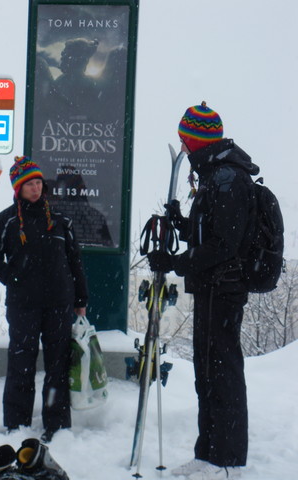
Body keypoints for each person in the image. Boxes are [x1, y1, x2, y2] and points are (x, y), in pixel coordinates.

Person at [147, 102, 256, 480]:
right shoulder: (215, 175)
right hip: (213, 289)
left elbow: (223, 245)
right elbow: (209, 233)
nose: (182, 148)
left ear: (195, 141)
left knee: (221, 372)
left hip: (222, 289)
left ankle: (225, 460)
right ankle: (209, 453)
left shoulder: (226, 178)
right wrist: (180, 219)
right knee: (209, 372)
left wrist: (175, 264)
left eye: (184, 141)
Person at [0, 156, 89, 443]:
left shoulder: (61, 221)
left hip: (59, 303)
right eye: (29, 184)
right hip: (23, 305)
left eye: (39, 182)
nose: (35, 188)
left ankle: (57, 425)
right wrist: (13, 278)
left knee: (57, 365)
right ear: (18, 187)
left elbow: (75, 262)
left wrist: (81, 297)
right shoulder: (5, 221)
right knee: (21, 363)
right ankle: (16, 424)